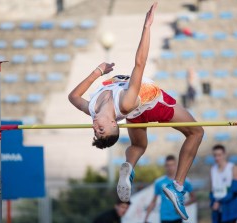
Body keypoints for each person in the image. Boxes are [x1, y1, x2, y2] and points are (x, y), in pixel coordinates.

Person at [68, 2, 204, 220]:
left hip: (137, 112)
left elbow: (73, 97)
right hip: (152, 102)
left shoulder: (93, 110)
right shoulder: (125, 102)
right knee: (196, 132)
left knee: (139, 144)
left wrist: (98, 72)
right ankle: (177, 186)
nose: (95, 129)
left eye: (96, 132)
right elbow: (139, 65)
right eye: (101, 131)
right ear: (114, 124)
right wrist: (147, 27)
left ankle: (129, 167)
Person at [144, 155, 196, 223]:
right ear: (165, 166)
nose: (170, 167)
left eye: (172, 165)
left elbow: (193, 198)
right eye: (168, 165)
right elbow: (153, 201)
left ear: (176, 165)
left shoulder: (184, 181)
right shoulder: (159, 182)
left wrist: (181, 206)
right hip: (164, 217)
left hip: (178, 217)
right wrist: (146, 218)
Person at [209, 144, 237, 223]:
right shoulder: (212, 169)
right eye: (215, 155)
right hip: (217, 210)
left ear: (224, 154)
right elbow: (211, 191)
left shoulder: (233, 168)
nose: (217, 158)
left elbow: (235, 191)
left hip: (229, 210)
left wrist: (219, 202)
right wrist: (213, 202)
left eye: (219, 155)